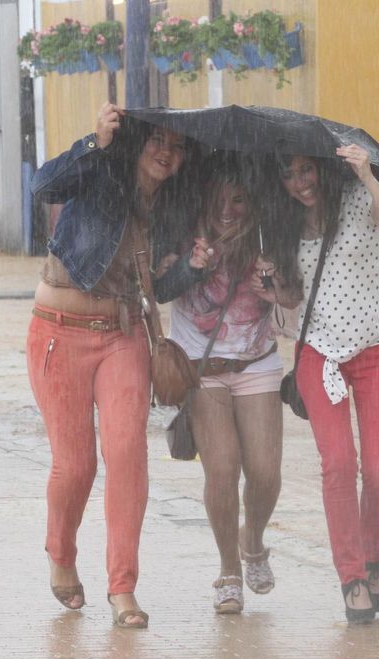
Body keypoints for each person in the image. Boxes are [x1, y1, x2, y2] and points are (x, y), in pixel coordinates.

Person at [27, 102, 200, 629]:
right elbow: (44, 185)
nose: (165, 152)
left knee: (127, 454)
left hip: (123, 337)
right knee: (75, 466)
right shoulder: (101, 171)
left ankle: (122, 587)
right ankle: (61, 553)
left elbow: (158, 290)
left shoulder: (172, 209)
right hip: (57, 330)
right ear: (139, 142)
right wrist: (93, 143)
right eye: (157, 141)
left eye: (177, 146)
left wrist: (194, 265)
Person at [162, 156, 303, 614]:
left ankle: (254, 541)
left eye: (238, 199)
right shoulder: (182, 231)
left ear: (252, 201)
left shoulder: (269, 236)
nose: (227, 210)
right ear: (204, 200)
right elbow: (160, 289)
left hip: (257, 363)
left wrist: (274, 286)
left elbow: (294, 297)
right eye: (219, 199)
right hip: (201, 371)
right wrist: (191, 267)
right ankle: (228, 570)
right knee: (221, 469)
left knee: (264, 472)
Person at [280, 146, 379, 624]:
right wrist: (272, 288)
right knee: (339, 463)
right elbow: (291, 304)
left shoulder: (360, 198)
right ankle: (352, 576)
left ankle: (374, 556)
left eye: (306, 168)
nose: (300, 182)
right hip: (319, 355)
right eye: (289, 174)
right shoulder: (282, 224)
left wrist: (368, 177)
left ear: (323, 166)